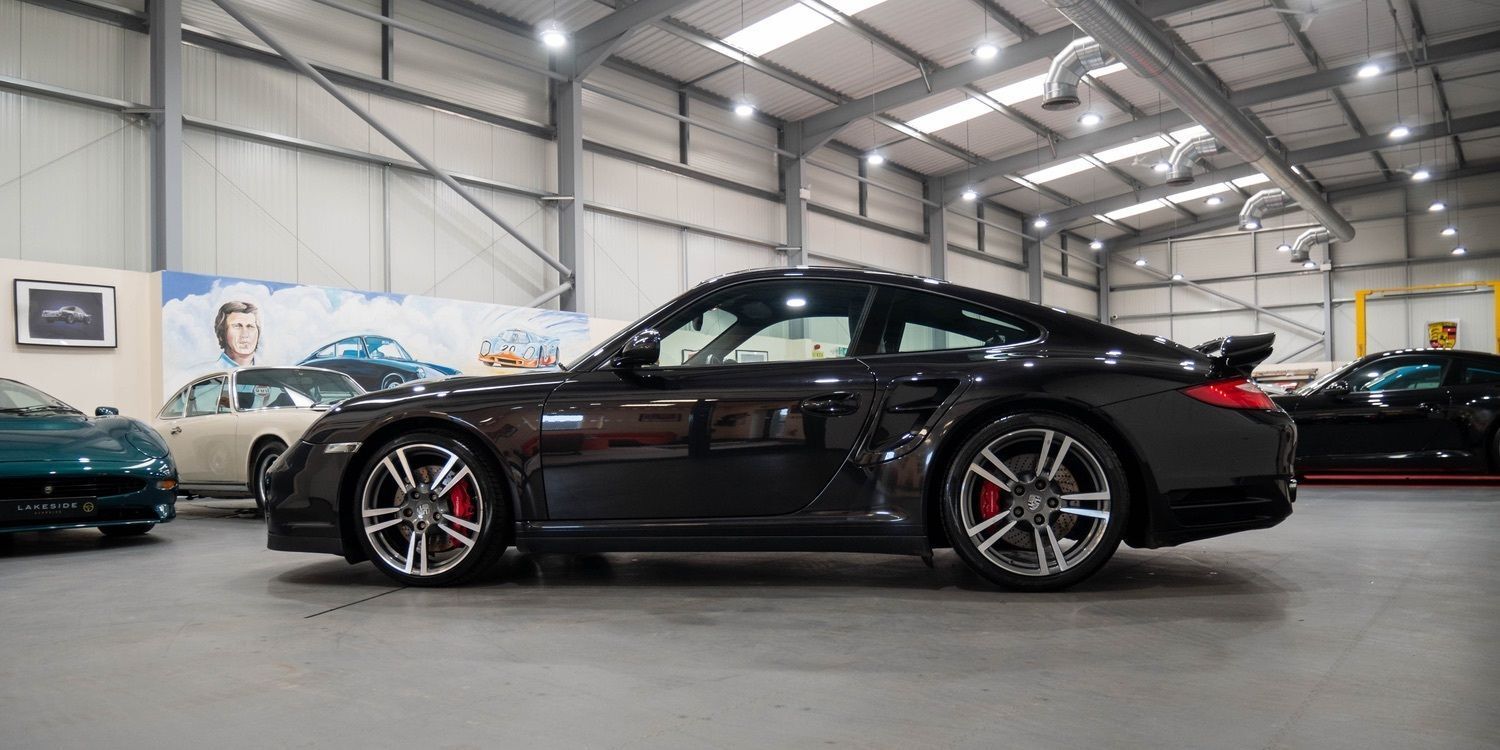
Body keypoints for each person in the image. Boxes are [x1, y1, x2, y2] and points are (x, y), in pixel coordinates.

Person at [215, 301, 261, 368]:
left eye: (250, 326)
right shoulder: (210, 373)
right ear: (222, 333)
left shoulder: (270, 373)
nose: (245, 334)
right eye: (237, 326)